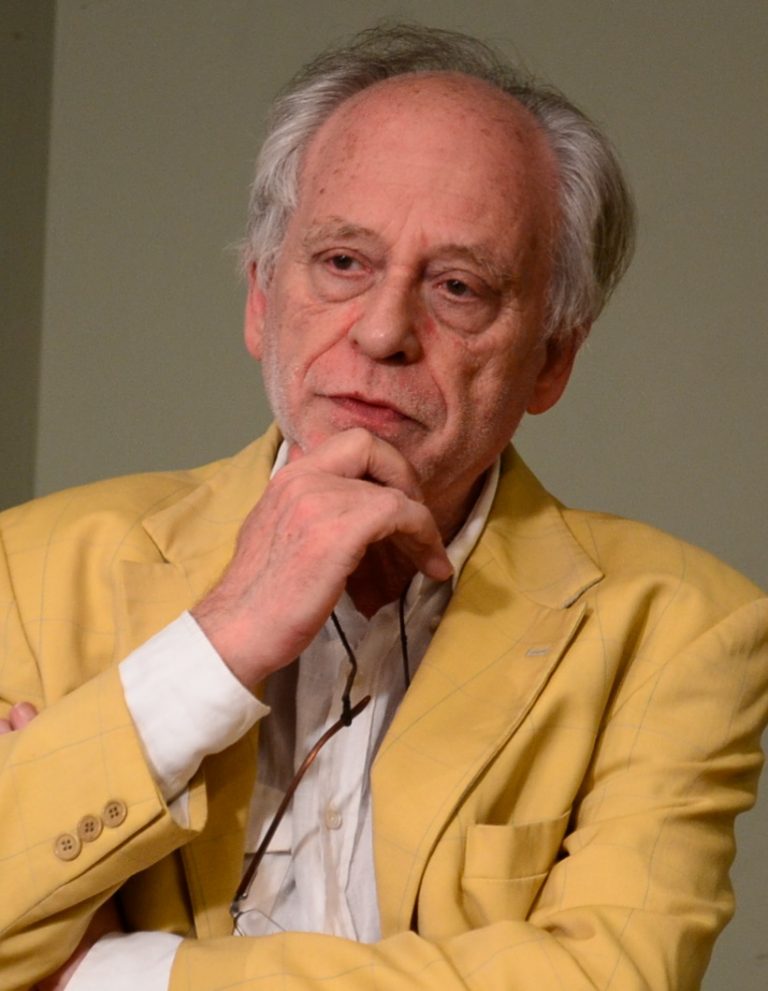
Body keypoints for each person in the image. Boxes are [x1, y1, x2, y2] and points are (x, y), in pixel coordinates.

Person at [1, 23, 766, 991]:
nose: (383, 329)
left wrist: (119, 977)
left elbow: (610, 978)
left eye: (458, 286)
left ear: (551, 358)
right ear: (260, 299)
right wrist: (216, 644)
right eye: (343, 262)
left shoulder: (683, 628)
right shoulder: (26, 571)